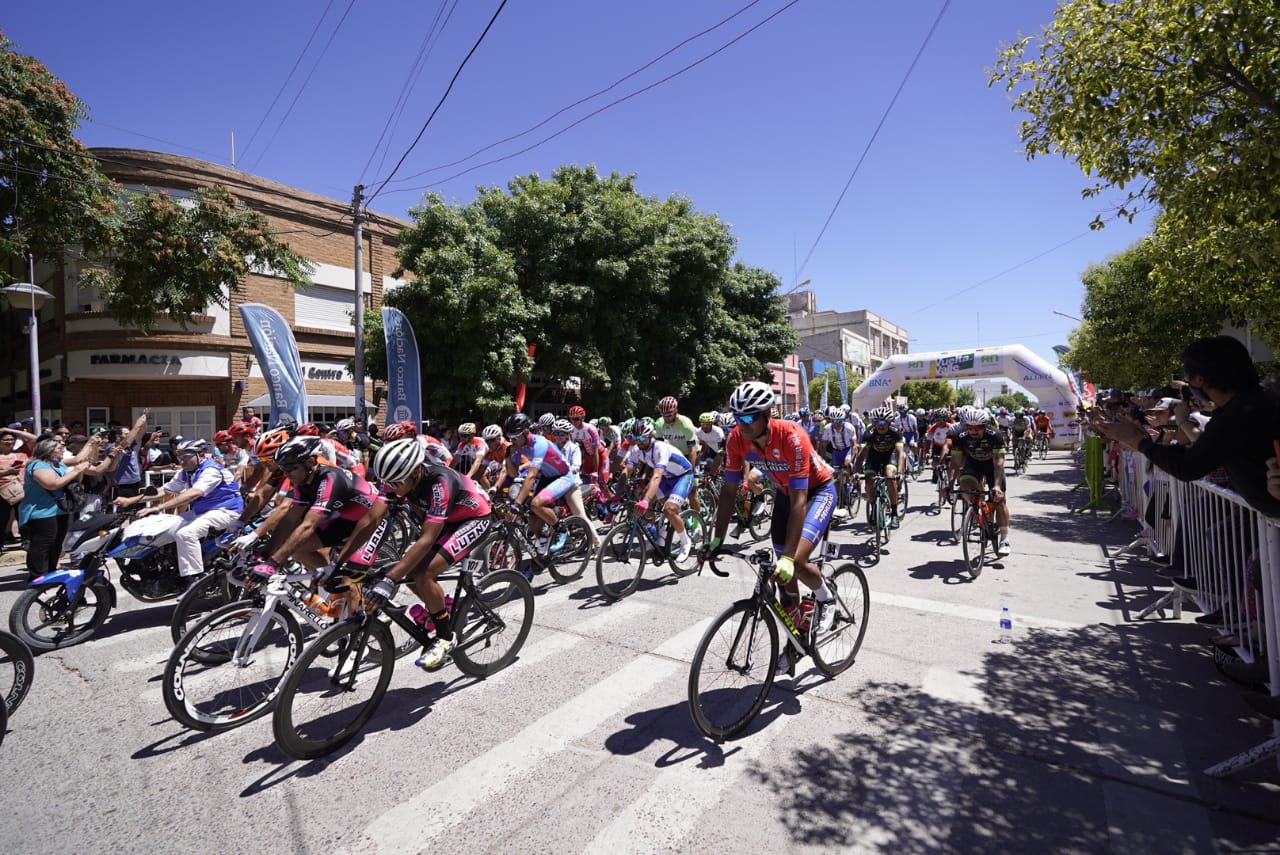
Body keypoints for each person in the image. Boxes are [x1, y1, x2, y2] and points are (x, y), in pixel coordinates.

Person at [339, 438, 493, 671]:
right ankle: (443, 606)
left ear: (416, 472)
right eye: (386, 482)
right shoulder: (396, 478)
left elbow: (427, 539)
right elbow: (371, 519)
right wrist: (341, 562)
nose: (390, 486)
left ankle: (445, 638)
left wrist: (389, 581)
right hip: (446, 519)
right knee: (406, 572)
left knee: (421, 574)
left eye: (396, 482)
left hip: (473, 518)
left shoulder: (440, 483)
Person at [703, 381, 837, 642]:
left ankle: (825, 597)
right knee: (782, 577)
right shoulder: (736, 439)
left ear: (767, 414)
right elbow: (729, 493)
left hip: (817, 491)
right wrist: (717, 539)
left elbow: (800, 500)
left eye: (749, 417)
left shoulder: (793, 436)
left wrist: (789, 557)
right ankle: (795, 638)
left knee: (795, 561)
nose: (742, 424)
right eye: (737, 417)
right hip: (786, 494)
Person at [1094, 335, 1280, 516]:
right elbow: (1198, 453)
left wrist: (1137, 441)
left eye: (1188, 379)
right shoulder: (1259, 401)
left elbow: (1188, 467)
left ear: (1199, 379)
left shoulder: (1237, 415)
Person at [118, 438, 245, 590]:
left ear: (201, 455)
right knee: (163, 525)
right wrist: (130, 500)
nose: (182, 460)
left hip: (226, 511)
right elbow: (165, 490)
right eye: (180, 456)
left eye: (187, 456)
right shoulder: (186, 472)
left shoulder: (211, 470)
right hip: (203, 511)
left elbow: (194, 493)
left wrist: (158, 507)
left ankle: (195, 580)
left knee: (186, 533)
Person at [621, 417, 697, 561]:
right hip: (667, 478)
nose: (639, 441)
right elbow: (628, 469)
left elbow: (656, 476)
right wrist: (617, 494)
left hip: (682, 476)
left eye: (643, 437)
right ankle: (656, 536)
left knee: (669, 509)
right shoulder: (637, 449)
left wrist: (646, 500)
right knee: (644, 499)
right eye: (636, 438)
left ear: (650, 435)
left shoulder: (660, 448)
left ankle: (685, 541)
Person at [19, 435, 90, 580]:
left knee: (57, 542)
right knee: (43, 542)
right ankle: (37, 575)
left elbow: (73, 481)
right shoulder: (38, 465)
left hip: (59, 509)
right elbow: (51, 484)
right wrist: (76, 470)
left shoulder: (59, 464)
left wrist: (80, 470)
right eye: (59, 448)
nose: (63, 450)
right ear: (48, 450)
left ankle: (51, 571)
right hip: (41, 511)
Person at [950, 405, 1011, 556]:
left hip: (992, 466)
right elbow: (956, 463)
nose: (973, 431)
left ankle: (1004, 539)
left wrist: (996, 486)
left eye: (977, 428)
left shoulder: (995, 435)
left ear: (984, 426)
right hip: (973, 463)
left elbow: (998, 464)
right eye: (970, 427)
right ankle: (977, 510)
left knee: (1000, 499)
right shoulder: (959, 435)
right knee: (966, 486)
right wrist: (949, 485)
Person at [854, 406, 906, 525]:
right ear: (874, 422)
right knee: (868, 482)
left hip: (890, 454)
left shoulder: (895, 431)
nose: (880, 425)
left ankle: (894, 512)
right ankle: (873, 506)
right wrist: (856, 472)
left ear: (889, 422)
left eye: (883, 422)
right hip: (874, 456)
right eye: (877, 422)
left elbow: (900, 453)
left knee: (889, 476)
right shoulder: (869, 433)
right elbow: (862, 454)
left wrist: (900, 472)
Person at [0, 432, 31, 548]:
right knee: (2, 519)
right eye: (6, 440)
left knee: (23, 517)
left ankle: (26, 540)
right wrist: (7, 472)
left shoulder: (22, 456)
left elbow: (35, 439)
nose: (10, 442)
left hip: (21, 491)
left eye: (12, 439)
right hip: (2, 493)